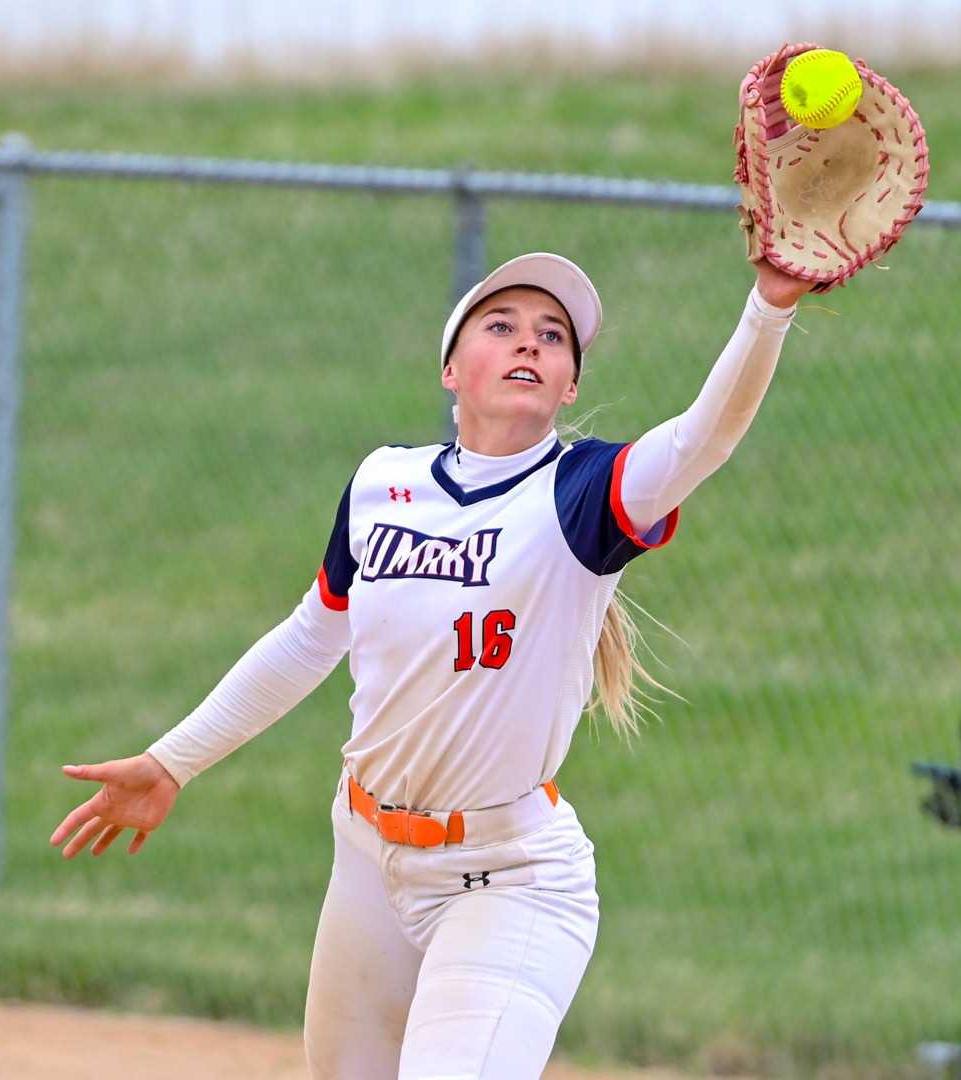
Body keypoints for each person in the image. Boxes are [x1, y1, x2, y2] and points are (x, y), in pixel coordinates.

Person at [48, 248, 815, 1079]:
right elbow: (312, 636)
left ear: (568, 388)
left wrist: (768, 307)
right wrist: (173, 762)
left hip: (507, 880)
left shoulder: (582, 495)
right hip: (367, 860)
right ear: (451, 369)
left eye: (553, 337)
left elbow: (706, 439)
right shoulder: (385, 481)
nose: (530, 344)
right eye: (502, 326)